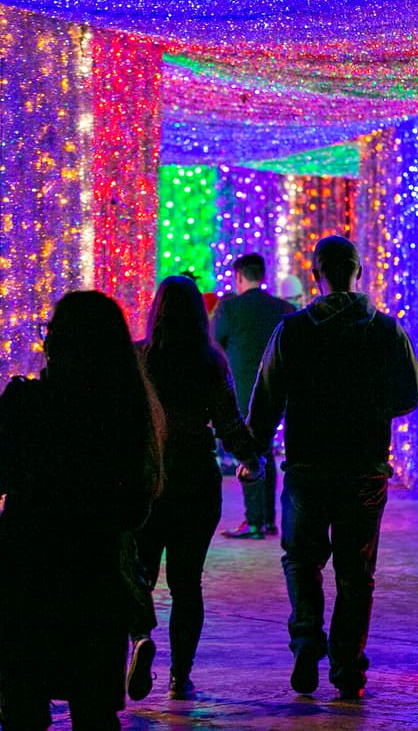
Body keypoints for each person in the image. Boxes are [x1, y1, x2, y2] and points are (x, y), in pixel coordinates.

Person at [0, 291, 162, 730]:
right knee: (93, 710)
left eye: (50, 333)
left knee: (22, 707)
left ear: (61, 342)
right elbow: (135, 511)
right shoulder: (124, 411)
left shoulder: (24, 402)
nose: (45, 342)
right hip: (94, 577)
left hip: (25, 572)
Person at [247, 235, 418, 700]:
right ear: (358, 272)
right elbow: (408, 395)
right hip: (363, 467)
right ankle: (348, 669)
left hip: (307, 465)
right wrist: (368, 406)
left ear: (315, 275)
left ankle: (306, 640)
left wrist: (253, 451)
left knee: (301, 559)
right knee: (355, 572)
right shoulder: (386, 331)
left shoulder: (295, 329)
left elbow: (267, 397)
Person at [130, 275, 263, 700]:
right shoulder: (212, 361)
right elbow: (229, 423)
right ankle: (179, 677)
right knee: (188, 584)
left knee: (139, 574)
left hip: (149, 479)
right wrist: (251, 459)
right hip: (196, 480)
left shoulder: (139, 358)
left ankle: (139, 640)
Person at [212, 253, 295, 539]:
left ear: (238, 276)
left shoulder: (230, 307)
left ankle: (254, 522)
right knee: (266, 452)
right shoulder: (282, 307)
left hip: (244, 391)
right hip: (278, 390)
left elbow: (214, 341)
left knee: (248, 452)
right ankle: (268, 520)